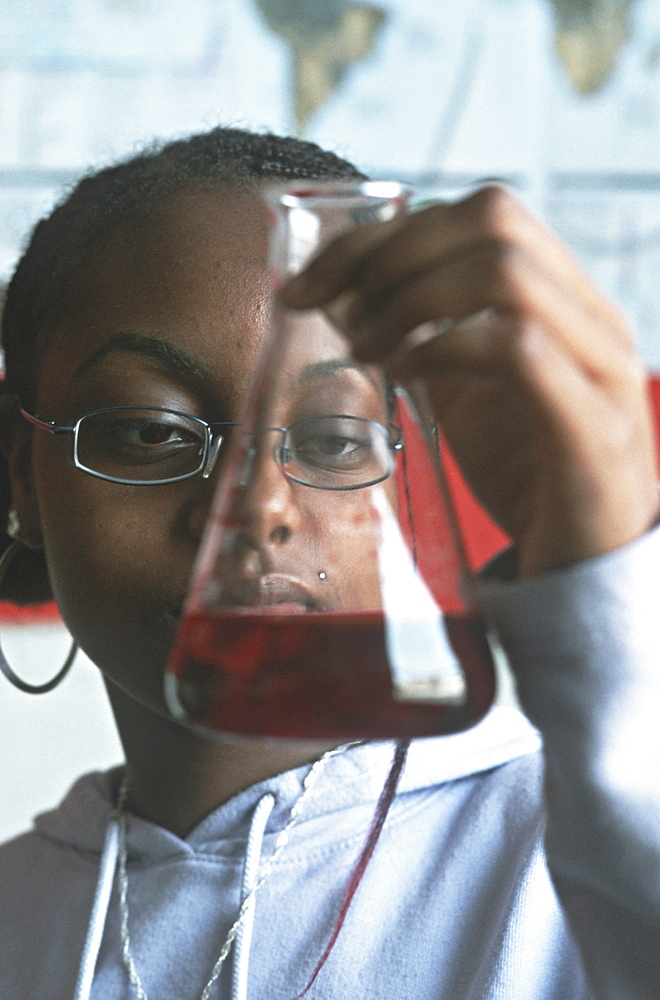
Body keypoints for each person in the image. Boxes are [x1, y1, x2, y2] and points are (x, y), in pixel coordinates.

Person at [0, 125, 658, 1000]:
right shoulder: (22, 906)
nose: (260, 506)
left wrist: (603, 588)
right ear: (24, 476)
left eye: (332, 439)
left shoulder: (595, 847)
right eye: (152, 431)